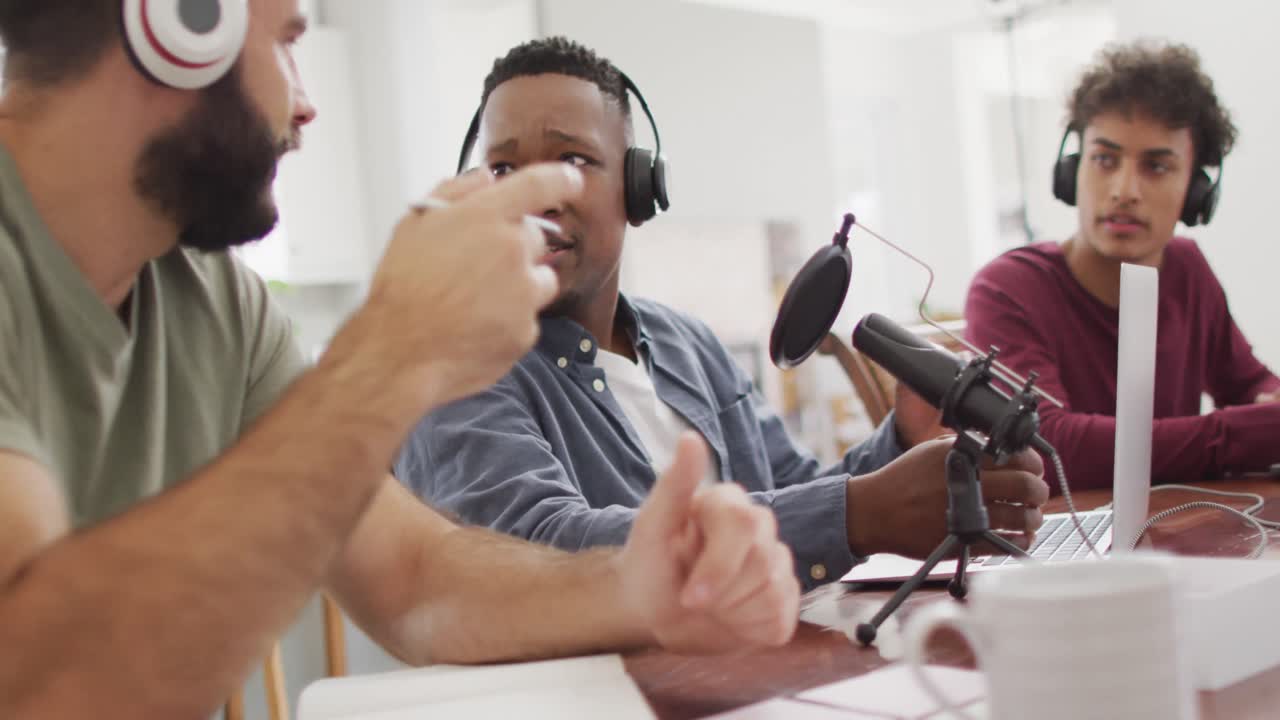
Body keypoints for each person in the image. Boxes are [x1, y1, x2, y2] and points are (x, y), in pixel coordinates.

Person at [0, 3, 805, 716]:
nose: (305, 104)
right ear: (178, 21)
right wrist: (388, 356)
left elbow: (418, 582)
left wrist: (635, 586)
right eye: (285, 45)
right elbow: (35, 685)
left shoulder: (215, 299)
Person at [396, 37, 1048, 592]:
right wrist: (860, 514)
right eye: (504, 167)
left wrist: (901, 439)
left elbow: (794, 490)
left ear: (639, 186)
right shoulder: (453, 365)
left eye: (571, 159)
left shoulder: (686, 342)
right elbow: (537, 556)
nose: (535, 194)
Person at [966, 40, 1280, 490]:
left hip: (1169, 535)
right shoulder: (1005, 288)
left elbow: (1249, 383)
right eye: (1104, 159)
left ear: (1196, 193)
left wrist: (1267, 404)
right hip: (1065, 546)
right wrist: (1244, 434)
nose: (1124, 189)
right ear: (1072, 171)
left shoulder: (1187, 269)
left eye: (1156, 166)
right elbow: (1049, 447)